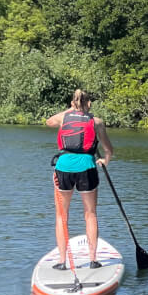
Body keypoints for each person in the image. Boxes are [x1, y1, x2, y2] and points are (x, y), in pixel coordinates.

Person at [45, 89, 114, 270]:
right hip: (87, 167)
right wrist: (105, 160)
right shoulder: (97, 122)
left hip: (63, 167)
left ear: (72, 103)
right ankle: (93, 260)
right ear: (89, 104)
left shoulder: (63, 118)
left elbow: (48, 121)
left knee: (61, 215)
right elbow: (109, 150)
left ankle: (62, 262)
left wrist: (70, 111)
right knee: (90, 214)